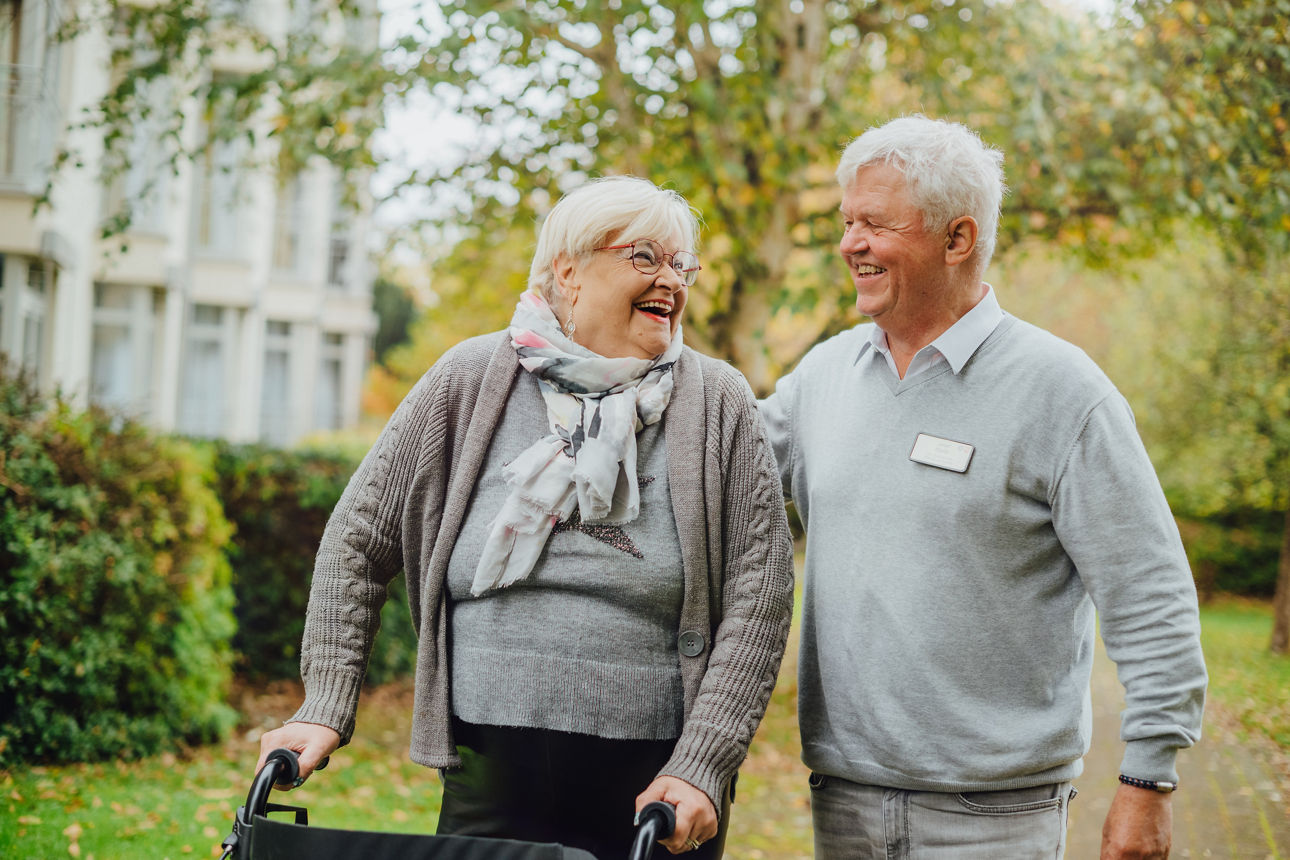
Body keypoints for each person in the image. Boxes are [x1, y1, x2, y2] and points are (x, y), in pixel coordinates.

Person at [254, 175, 794, 859]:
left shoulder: (717, 401)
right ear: (567, 271)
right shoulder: (471, 377)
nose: (671, 281)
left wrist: (703, 762)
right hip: (489, 759)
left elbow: (761, 596)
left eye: (680, 264)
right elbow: (359, 539)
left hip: (656, 775)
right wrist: (326, 701)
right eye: (645, 258)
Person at [759, 116, 1206, 859]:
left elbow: (1149, 593)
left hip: (995, 816)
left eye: (874, 224)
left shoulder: (1063, 392)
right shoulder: (822, 377)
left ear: (957, 239)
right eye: (847, 223)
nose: (850, 244)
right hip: (843, 800)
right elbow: (713, 468)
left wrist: (1148, 781)